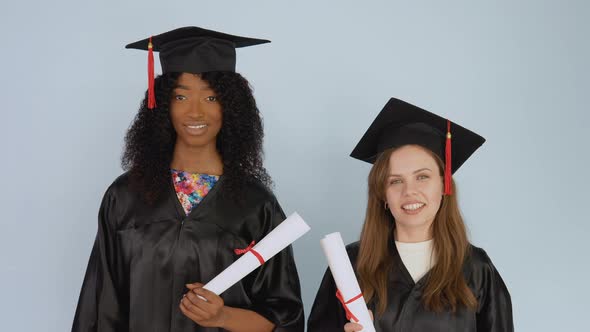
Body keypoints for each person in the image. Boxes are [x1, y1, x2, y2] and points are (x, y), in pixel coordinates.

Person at [72, 26, 304, 332]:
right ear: (163, 104)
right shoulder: (125, 195)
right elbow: (100, 307)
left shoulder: (255, 204)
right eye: (181, 96)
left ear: (232, 107)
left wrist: (224, 317)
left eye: (211, 97)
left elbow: (285, 318)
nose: (195, 112)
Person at [308, 97, 513, 331]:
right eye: (395, 181)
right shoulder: (350, 265)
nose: (409, 192)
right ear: (383, 194)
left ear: (444, 185)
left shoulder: (477, 268)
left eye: (422, 176)